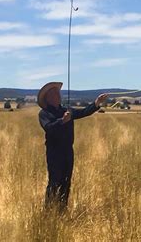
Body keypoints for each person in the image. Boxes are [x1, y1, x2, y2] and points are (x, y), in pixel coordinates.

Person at [37, 82, 107, 211]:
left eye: (58, 93)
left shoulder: (67, 110)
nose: (58, 95)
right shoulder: (44, 113)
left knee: (66, 182)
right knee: (54, 182)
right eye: (54, 93)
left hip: (68, 152)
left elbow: (84, 112)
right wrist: (62, 121)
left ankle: (62, 210)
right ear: (48, 98)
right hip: (54, 152)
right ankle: (48, 211)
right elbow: (49, 128)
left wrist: (96, 103)